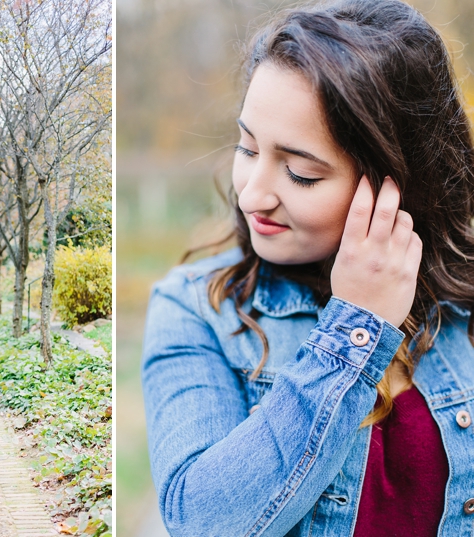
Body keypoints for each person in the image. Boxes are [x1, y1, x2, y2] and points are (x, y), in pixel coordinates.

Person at [142, 1, 474, 535]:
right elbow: (200, 519)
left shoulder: (461, 306)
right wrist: (356, 326)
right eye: (247, 147)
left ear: (398, 182)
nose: (251, 194)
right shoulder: (195, 307)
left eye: (300, 174)